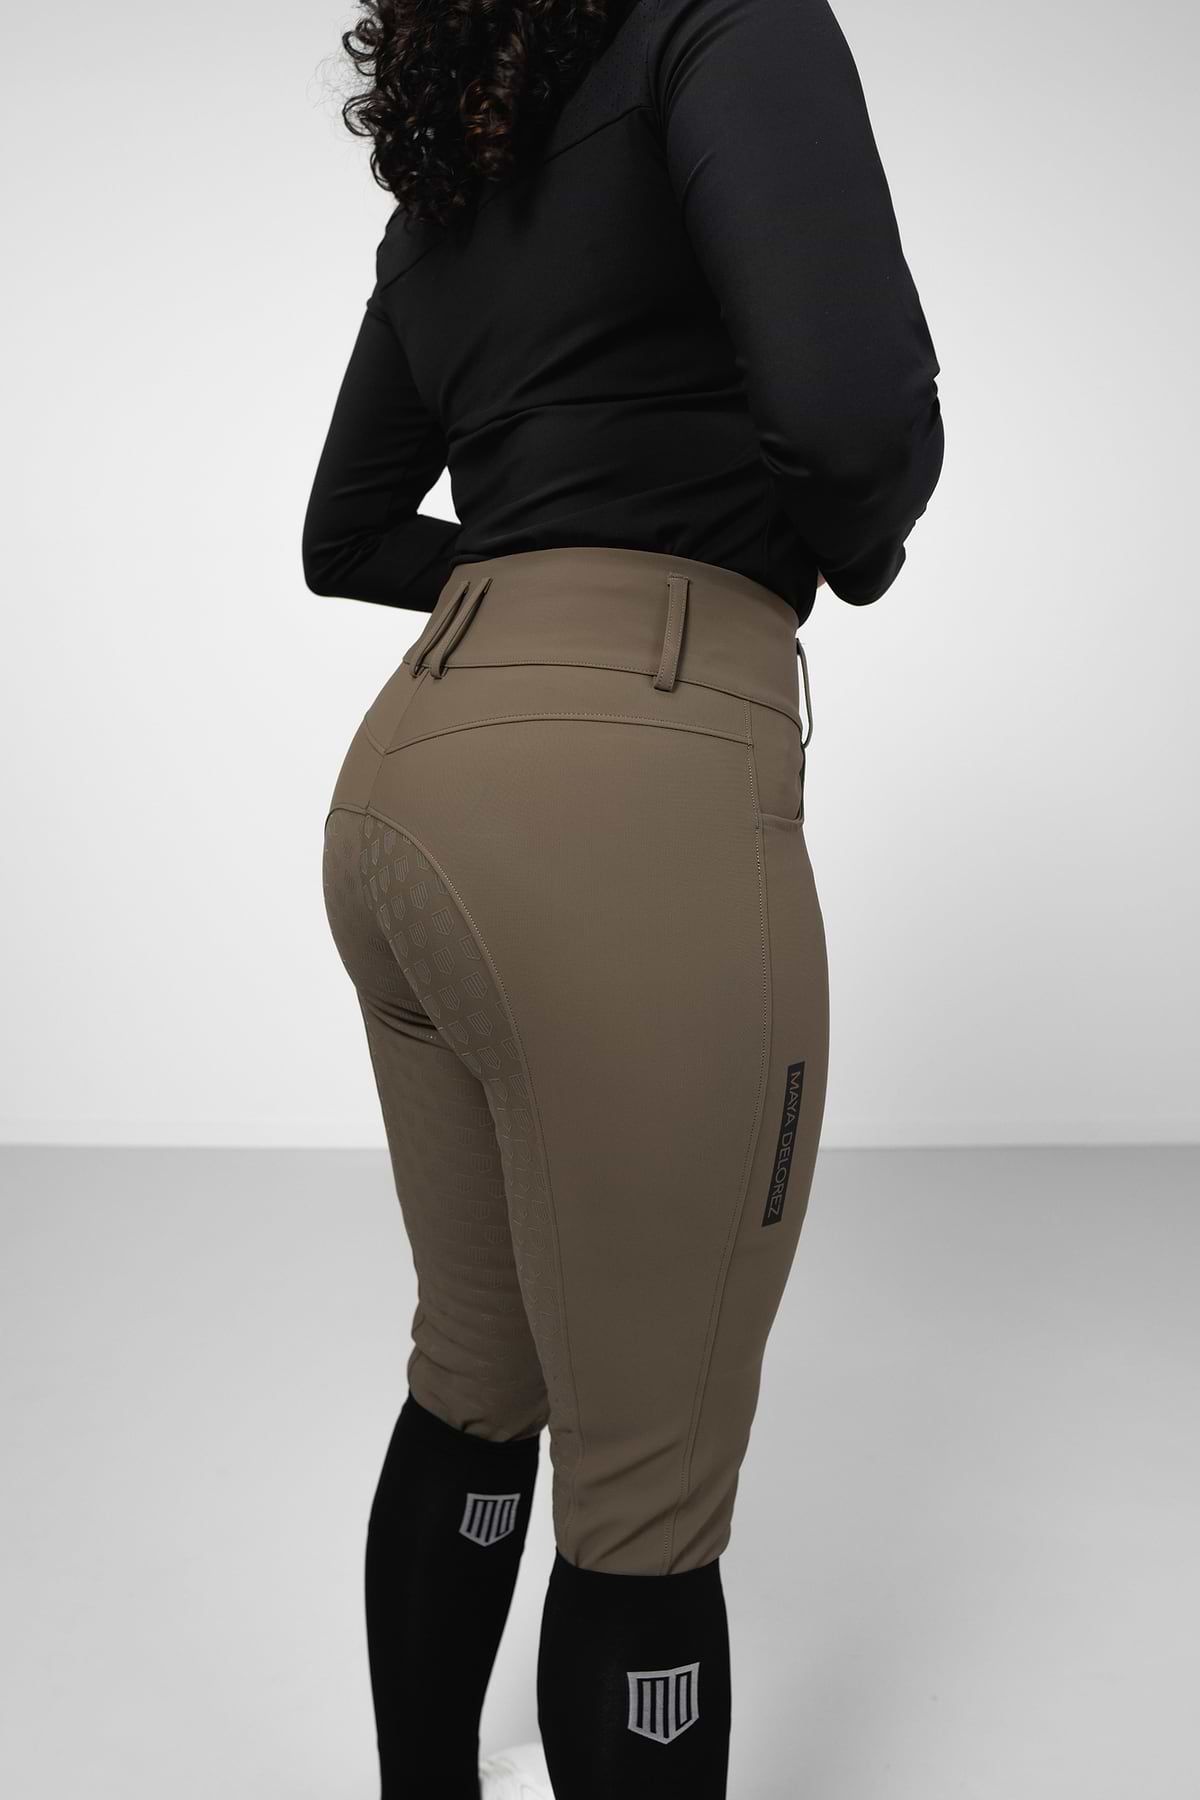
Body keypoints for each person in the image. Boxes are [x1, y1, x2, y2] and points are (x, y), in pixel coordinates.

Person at [302, 0, 944, 1794]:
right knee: (647, 1499)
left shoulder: (454, 172)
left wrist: (531, 571)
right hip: (623, 805)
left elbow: (345, 532)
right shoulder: (725, 25)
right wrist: (819, 551)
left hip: (405, 784)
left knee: (471, 1374)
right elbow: (852, 415)